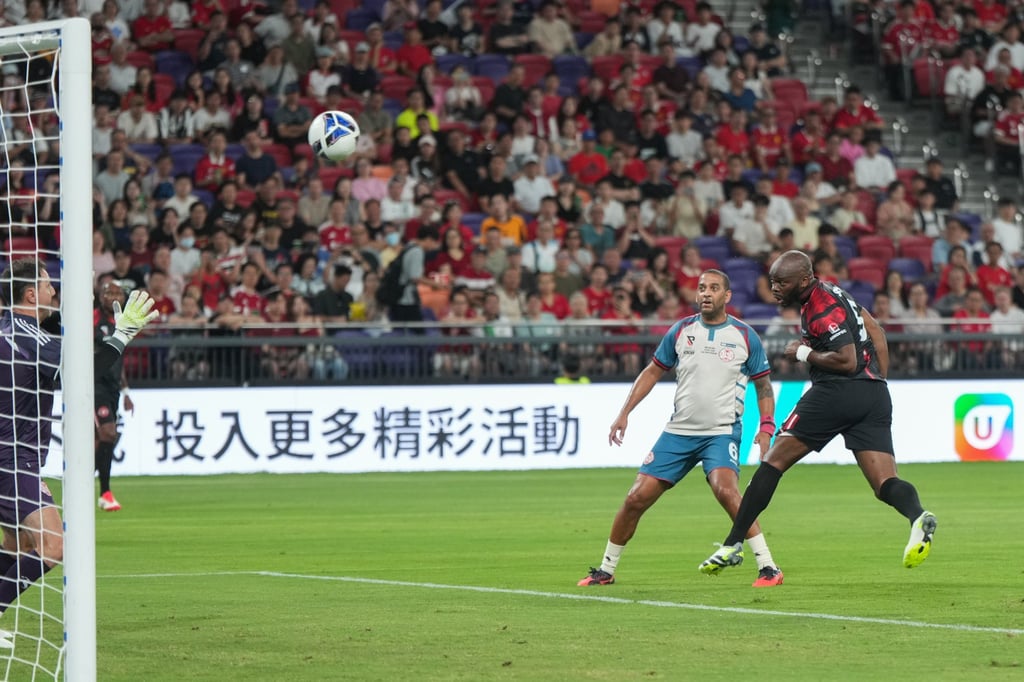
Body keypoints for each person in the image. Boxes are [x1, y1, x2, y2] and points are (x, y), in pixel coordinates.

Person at [699, 251, 937, 576]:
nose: (775, 288)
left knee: (772, 462)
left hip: (835, 393)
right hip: (873, 395)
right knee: (885, 483)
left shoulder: (820, 309)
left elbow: (847, 361)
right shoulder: (838, 293)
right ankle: (918, 516)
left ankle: (732, 544)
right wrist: (877, 382)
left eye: (782, 283)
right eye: (773, 282)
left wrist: (802, 352)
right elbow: (877, 332)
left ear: (804, 280)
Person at [579, 270, 784, 588]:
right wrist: (624, 413)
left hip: (720, 432)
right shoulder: (681, 331)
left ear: (727, 296)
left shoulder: (745, 336)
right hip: (679, 432)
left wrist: (766, 427)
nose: (706, 293)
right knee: (635, 498)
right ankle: (606, 570)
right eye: (701, 288)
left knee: (726, 491)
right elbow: (652, 372)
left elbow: (764, 386)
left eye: (713, 288)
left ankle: (768, 567)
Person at [0, 259, 157, 643]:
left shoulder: (8, 329)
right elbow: (84, 368)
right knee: (54, 545)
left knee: (18, 545)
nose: (53, 291)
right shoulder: (28, 338)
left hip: (13, 458)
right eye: (48, 285)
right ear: (31, 294)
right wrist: (123, 335)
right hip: (12, 461)